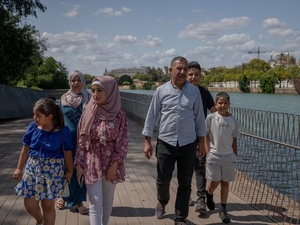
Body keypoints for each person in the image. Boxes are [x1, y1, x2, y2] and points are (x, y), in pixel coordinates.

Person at [142, 56, 207, 225]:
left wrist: (202, 142)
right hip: (166, 142)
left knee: (185, 182)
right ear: (170, 70)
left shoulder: (194, 92)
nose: (183, 72)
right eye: (179, 68)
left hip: (188, 143)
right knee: (163, 179)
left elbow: (200, 118)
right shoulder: (161, 91)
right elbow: (151, 116)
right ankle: (162, 202)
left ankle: (180, 217)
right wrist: (147, 141)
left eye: (185, 69)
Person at [74, 76, 128, 225]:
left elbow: (123, 141)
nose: (95, 94)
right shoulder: (88, 112)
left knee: (107, 200)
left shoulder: (119, 115)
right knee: (95, 202)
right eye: (93, 91)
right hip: (92, 160)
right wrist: (78, 163)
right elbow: (80, 139)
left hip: (111, 162)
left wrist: (115, 164)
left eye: (100, 90)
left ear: (110, 92)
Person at [12, 98, 73, 225]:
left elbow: (67, 153)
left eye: (38, 115)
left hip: (53, 171)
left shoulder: (62, 132)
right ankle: (39, 219)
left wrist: (70, 171)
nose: (34, 117)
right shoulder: (33, 127)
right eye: (34, 114)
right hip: (32, 169)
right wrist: (19, 168)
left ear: (50, 116)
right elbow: (25, 148)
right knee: (29, 203)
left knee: (48, 205)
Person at [57, 70, 91, 214]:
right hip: (65, 140)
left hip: (84, 141)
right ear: (69, 82)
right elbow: (58, 120)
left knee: (81, 168)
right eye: (73, 80)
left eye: (78, 80)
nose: (76, 83)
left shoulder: (89, 98)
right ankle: (63, 196)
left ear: (83, 81)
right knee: (65, 168)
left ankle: (78, 201)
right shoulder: (63, 99)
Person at [186, 61, 217, 213]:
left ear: (200, 76)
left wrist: (228, 118)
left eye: (196, 74)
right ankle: (185, 197)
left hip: (199, 137)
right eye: (190, 74)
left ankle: (201, 199)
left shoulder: (204, 93)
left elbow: (214, 112)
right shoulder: (180, 91)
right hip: (183, 137)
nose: (193, 77)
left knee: (200, 168)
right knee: (185, 169)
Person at [204, 92, 239, 223]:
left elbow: (234, 138)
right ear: (215, 104)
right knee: (214, 181)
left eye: (225, 103)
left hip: (228, 155)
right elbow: (205, 136)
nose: (222, 105)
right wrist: (208, 152)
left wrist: (235, 154)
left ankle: (223, 209)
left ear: (229, 104)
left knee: (225, 182)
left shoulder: (233, 120)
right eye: (220, 103)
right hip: (214, 154)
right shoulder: (211, 118)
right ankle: (209, 193)